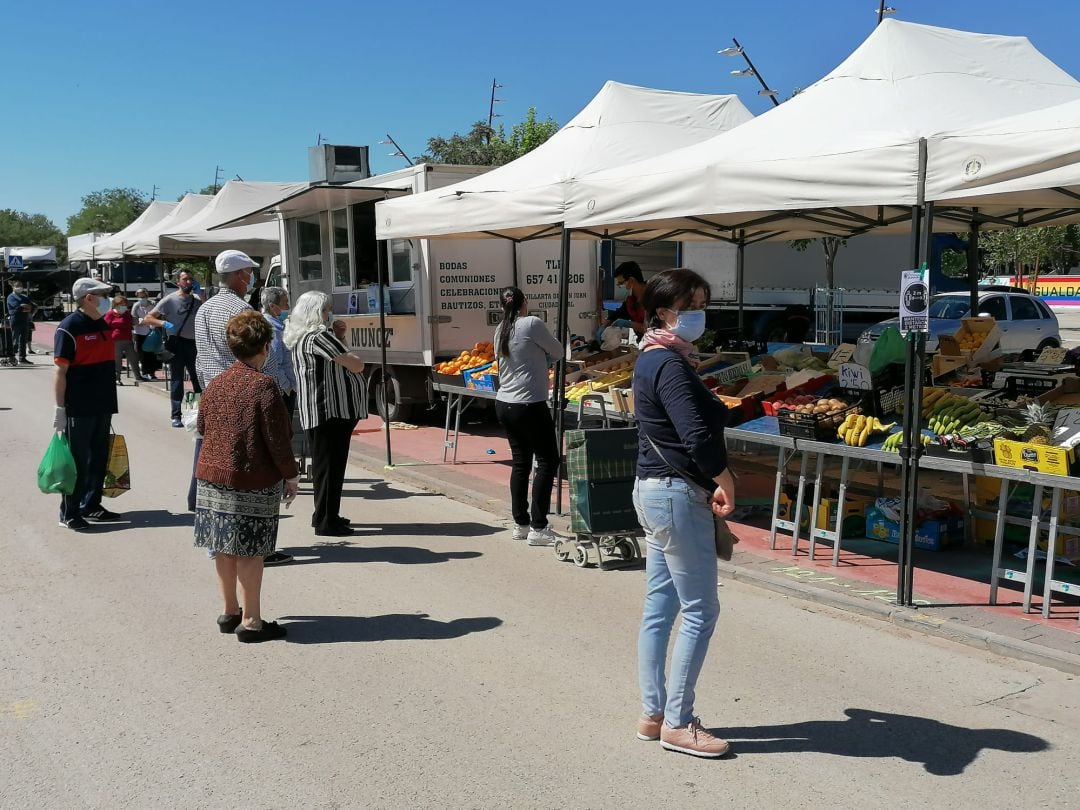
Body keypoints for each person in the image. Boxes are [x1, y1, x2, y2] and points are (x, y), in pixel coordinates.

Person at [631, 268, 735, 758]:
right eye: (692, 305)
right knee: (699, 609)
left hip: (653, 490)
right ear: (665, 311)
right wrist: (724, 478)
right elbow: (694, 433)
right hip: (674, 494)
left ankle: (654, 714)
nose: (699, 314)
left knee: (661, 608)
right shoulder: (669, 366)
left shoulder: (651, 357)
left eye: (702, 304)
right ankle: (677, 721)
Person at [194, 310, 299, 643]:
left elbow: (201, 428)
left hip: (211, 476)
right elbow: (278, 439)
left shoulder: (216, 384)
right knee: (251, 551)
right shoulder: (264, 386)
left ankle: (229, 611)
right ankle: (252, 622)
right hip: (249, 479)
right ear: (266, 347)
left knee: (223, 546)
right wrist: (291, 476)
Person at [192, 251, 289, 566]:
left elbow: (199, 358)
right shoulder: (243, 311)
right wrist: (277, 389)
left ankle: (218, 543)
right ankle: (254, 547)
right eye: (248, 273)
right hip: (245, 395)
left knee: (220, 472)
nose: (250, 279)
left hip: (213, 394)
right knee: (253, 474)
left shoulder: (204, 309)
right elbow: (267, 357)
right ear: (240, 276)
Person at [284, 291, 366, 537]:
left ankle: (325, 515)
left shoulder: (302, 336)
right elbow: (355, 363)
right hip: (330, 410)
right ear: (315, 313)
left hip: (320, 410)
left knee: (325, 467)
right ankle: (327, 520)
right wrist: (342, 342)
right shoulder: (318, 336)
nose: (328, 315)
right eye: (324, 310)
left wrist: (339, 337)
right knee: (331, 467)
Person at [493, 286, 565, 547]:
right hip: (529, 404)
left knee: (521, 462)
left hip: (505, 403)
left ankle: (521, 523)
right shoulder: (532, 323)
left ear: (502, 307)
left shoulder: (500, 329)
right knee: (548, 460)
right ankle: (539, 526)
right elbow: (558, 352)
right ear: (525, 303)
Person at [52, 277, 124, 530]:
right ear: (89, 298)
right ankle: (69, 512)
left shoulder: (103, 324)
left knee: (98, 459)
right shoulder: (68, 328)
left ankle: (91, 504)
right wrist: (60, 409)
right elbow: (60, 372)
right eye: (102, 295)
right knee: (78, 461)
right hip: (79, 407)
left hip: (103, 403)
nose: (107, 299)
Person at [143, 271, 202, 427]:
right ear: (178, 282)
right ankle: (176, 415)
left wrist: (201, 293)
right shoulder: (169, 300)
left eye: (191, 279)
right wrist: (163, 324)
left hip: (193, 343)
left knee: (197, 379)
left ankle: (198, 413)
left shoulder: (196, 300)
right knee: (177, 379)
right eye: (185, 279)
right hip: (176, 342)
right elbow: (148, 318)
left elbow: (208, 308)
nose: (188, 282)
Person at [260, 286, 297, 416]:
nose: (288, 306)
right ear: (272, 306)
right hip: (282, 390)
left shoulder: (276, 325)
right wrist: (287, 387)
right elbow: (276, 363)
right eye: (284, 303)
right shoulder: (273, 329)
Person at [104, 295, 145, 384]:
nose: (124, 306)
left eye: (125, 304)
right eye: (122, 304)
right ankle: (117, 378)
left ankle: (138, 377)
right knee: (117, 360)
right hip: (115, 340)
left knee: (133, 358)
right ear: (116, 305)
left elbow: (132, 322)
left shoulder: (127, 313)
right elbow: (105, 326)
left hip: (128, 339)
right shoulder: (110, 314)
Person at [130, 288, 161, 379]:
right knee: (141, 353)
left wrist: (152, 322)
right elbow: (134, 319)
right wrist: (143, 321)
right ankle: (144, 371)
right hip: (139, 333)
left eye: (143, 294)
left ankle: (152, 372)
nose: (142, 296)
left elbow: (158, 314)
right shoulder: (136, 305)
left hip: (151, 332)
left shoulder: (153, 304)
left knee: (151, 353)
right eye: (139, 294)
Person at [612, 261, 648, 336]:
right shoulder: (631, 300)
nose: (619, 287)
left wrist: (628, 324)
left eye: (621, 283)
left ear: (631, 280)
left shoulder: (654, 297)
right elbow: (622, 312)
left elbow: (652, 329)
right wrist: (607, 323)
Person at [6, 281, 34, 364]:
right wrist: (24, 307)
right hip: (15, 320)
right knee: (15, 340)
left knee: (23, 340)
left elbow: (30, 306)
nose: (20, 287)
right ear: (13, 287)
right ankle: (12, 357)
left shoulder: (24, 297)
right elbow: (18, 307)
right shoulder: (11, 297)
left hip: (24, 320)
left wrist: (24, 307)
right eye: (18, 286)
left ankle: (22, 358)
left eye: (21, 286)